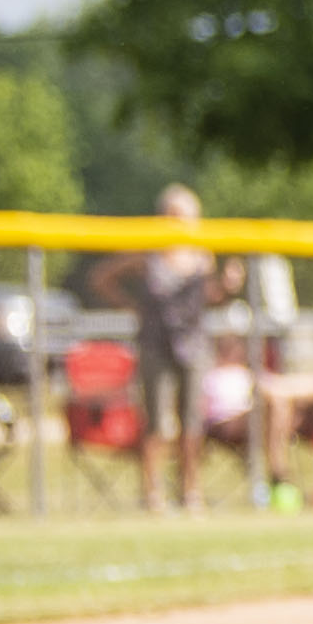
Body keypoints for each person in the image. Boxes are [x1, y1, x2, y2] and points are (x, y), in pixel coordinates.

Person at [89, 186, 231, 514]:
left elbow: (209, 298)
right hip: (156, 344)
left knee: (192, 424)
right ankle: (152, 494)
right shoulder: (148, 251)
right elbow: (102, 278)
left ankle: (190, 492)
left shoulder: (201, 253)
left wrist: (225, 287)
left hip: (193, 345)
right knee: (156, 423)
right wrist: (130, 306)